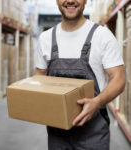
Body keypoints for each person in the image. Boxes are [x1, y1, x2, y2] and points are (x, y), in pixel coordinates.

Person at [35, 0, 126, 149]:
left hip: (93, 134)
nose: (70, 1)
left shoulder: (102, 35)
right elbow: (39, 77)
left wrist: (96, 102)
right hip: (57, 134)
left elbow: (119, 79)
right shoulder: (45, 38)